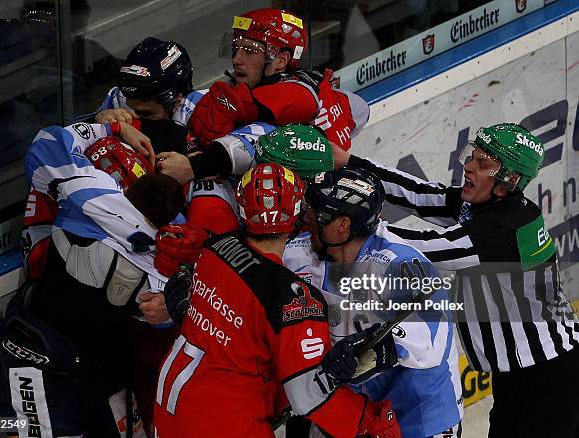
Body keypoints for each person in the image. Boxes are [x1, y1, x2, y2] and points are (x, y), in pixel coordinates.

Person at [333, 123, 579, 437]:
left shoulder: (505, 229)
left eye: (483, 163)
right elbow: (420, 194)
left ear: (510, 180)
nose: (469, 166)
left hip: (547, 375)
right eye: (471, 156)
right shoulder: (487, 205)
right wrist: (351, 164)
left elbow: (417, 248)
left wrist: (345, 224)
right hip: (525, 370)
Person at [153, 163, 401, 438]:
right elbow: (309, 396)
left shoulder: (214, 250)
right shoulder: (292, 299)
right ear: (297, 213)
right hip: (224, 425)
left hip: (169, 414)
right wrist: (371, 421)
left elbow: (233, 330)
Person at [0, 122, 189, 437]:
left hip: (41, 354)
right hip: (84, 366)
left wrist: (112, 126)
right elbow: (164, 317)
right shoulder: (171, 244)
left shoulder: (92, 189)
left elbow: (48, 140)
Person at [283, 167, 463, 438]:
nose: (306, 218)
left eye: (316, 213)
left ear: (342, 225)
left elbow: (431, 344)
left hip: (420, 418)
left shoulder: (400, 264)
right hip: (359, 415)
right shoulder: (301, 252)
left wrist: (374, 351)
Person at [156, 8, 370, 184]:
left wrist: (194, 166)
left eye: (249, 51)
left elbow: (242, 112)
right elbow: (361, 109)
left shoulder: (295, 97)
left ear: (280, 60)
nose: (237, 60)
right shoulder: (312, 91)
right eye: (235, 48)